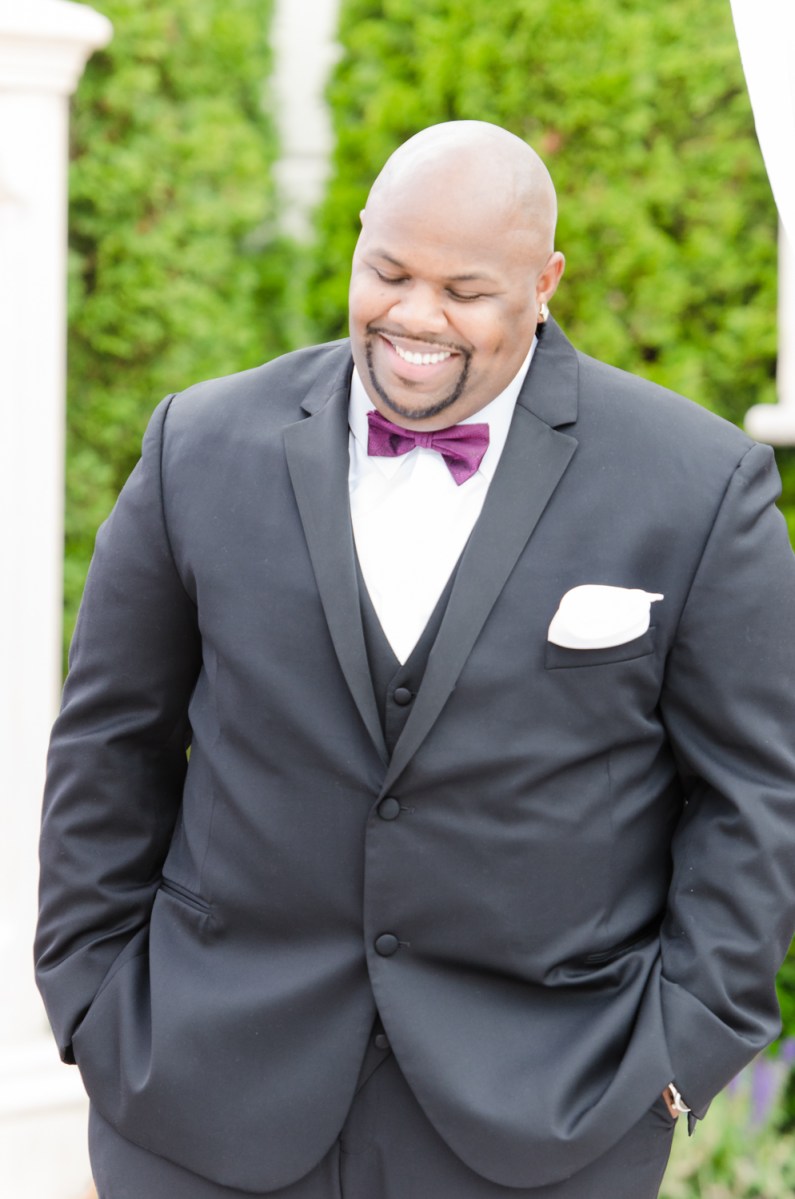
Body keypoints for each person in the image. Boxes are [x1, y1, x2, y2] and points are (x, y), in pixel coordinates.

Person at [36, 121, 795, 1199]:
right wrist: (91, 998)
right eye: (389, 272)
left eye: (464, 290)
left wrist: (679, 1051)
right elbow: (109, 742)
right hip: (201, 1102)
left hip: (546, 1121)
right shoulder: (195, 447)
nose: (415, 316)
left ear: (545, 283)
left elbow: (757, 794)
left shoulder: (697, 485)